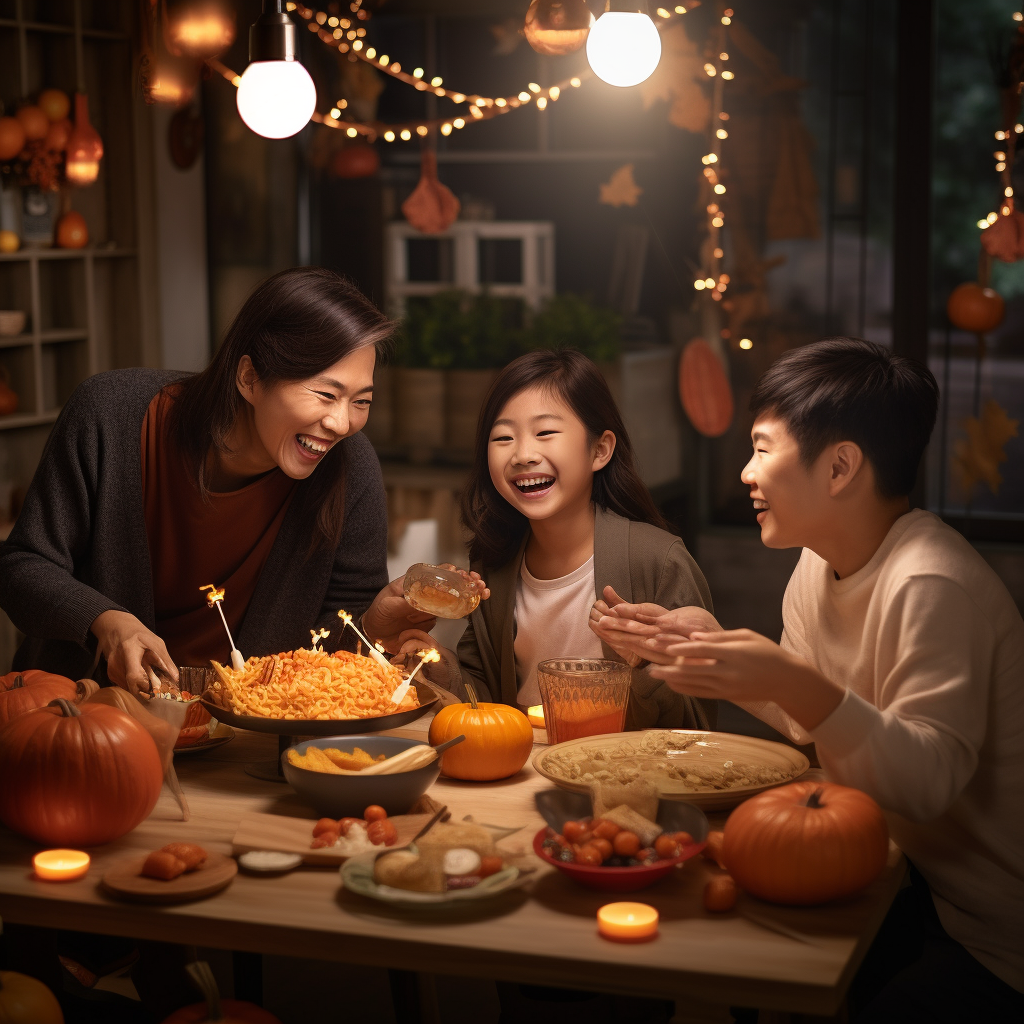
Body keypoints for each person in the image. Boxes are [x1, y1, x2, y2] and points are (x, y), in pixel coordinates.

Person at [597, 337, 1024, 1021]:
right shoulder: (817, 565)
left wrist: (786, 678)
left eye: (764, 448)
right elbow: (822, 723)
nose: (746, 471)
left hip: (988, 933)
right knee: (738, 959)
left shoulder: (932, 583)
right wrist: (713, 650)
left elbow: (927, 780)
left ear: (839, 467)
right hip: (901, 880)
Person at [0, 266, 437, 695]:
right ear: (249, 377)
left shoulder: (350, 468)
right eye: (326, 394)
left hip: (246, 738)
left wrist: (371, 626)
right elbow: (21, 568)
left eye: (361, 401)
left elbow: (326, 654)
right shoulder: (109, 417)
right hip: (81, 714)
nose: (342, 422)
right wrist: (106, 621)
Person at [396, 347, 715, 730]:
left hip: (618, 781)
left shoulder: (657, 562)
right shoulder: (493, 565)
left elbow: (698, 725)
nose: (523, 454)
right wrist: (443, 669)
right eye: (502, 438)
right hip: (520, 776)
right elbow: (488, 695)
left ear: (600, 450)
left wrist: (644, 668)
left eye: (545, 432)